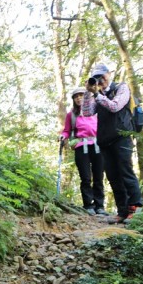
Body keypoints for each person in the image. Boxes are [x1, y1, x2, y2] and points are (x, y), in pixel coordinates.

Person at [80, 63, 142, 223]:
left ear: (109, 74)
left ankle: (135, 208)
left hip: (122, 137)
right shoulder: (97, 94)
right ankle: (122, 211)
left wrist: (99, 96)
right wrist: (88, 92)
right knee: (113, 176)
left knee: (125, 171)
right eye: (97, 77)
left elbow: (115, 107)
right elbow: (86, 112)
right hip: (105, 140)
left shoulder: (121, 88)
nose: (101, 80)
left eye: (102, 76)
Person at [60, 87, 106, 215]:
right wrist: (63, 136)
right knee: (85, 177)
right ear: (74, 100)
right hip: (81, 146)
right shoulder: (72, 115)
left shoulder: (96, 111)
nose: (79, 98)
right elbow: (67, 130)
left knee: (98, 177)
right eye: (76, 96)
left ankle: (99, 206)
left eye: (82, 95)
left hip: (98, 145)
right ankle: (88, 205)